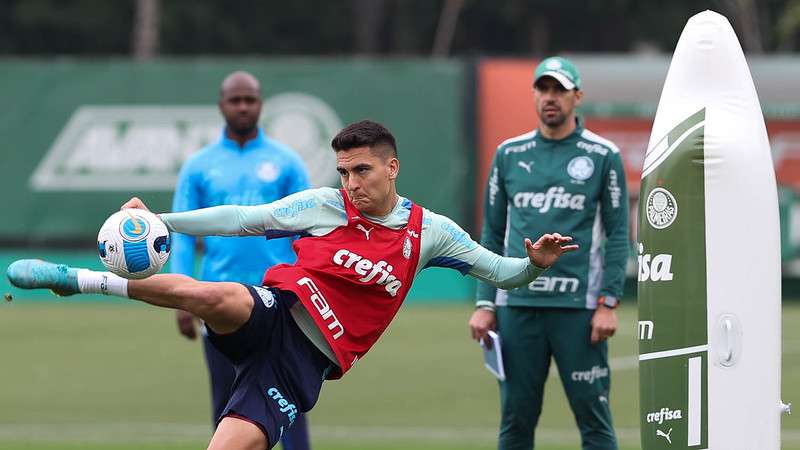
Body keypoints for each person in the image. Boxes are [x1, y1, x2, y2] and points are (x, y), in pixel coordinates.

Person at [8, 120, 578, 450]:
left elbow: (501, 272)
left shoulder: (430, 232)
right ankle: (81, 280)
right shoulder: (325, 206)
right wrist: (161, 221)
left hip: (302, 363)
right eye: (343, 172)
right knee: (214, 295)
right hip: (275, 310)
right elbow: (240, 218)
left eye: (362, 171)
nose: (350, 183)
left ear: (392, 167)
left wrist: (535, 264)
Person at [468, 56, 629, 450]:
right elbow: (492, 232)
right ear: (535, 95)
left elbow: (618, 233)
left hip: (579, 309)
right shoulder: (508, 153)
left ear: (578, 96)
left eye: (559, 89)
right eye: (543, 89)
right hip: (517, 306)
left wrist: (608, 302)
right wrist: (485, 302)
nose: (550, 97)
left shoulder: (602, 155)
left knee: (594, 420)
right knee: (516, 422)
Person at [171, 70, 312, 450]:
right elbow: (182, 234)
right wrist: (183, 293)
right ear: (222, 105)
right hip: (218, 299)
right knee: (226, 405)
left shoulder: (286, 162)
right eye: (236, 100)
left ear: (260, 104)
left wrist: (308, 287)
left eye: (250, 99)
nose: (243, 106)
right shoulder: (199, 166)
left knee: (290, 406)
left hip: (279, 300)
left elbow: (307, 230)